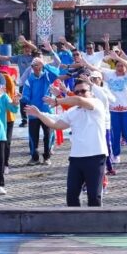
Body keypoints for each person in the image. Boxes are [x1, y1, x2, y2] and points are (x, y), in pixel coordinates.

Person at [26, 78, 109, 207]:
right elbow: (56, 124)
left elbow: (78, 100)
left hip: (96, 156)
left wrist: (57, 101)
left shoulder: (97, 103)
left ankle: (95, 220)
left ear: (91, 93)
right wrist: (39, 114)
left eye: (83, 91)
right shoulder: (73, 111)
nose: (80, 94)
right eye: (77, 92)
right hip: (76, 158)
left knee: (94, 196)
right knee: (72, 196)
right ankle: (74, 220)